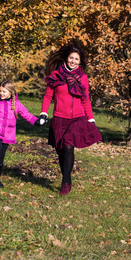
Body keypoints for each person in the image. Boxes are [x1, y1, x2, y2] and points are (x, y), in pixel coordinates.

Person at [40, 41, 102, 195]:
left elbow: (85, 99)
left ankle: (66, 181)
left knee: (69, 145)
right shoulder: (56, 76)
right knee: (61, 151)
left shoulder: (83, 78)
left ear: (80, 62)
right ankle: (66, 176)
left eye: (76, 59)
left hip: (77, 118)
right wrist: (43, 112)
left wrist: (91, 118)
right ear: (66, 58)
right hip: (59, 118)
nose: (73, 61)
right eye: (71, 58)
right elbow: (48, 96)